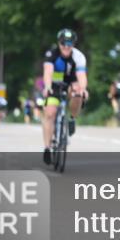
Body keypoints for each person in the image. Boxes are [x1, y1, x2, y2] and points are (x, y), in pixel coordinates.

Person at [41, 29, 88, 165]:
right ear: (58, 43)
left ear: (73, 44)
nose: (66, 46)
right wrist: (47, 86)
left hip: (71, 82)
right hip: (55, 84)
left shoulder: (78, 57)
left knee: (78, 92)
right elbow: (48, 72)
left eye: (69, 43)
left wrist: (83, 89)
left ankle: (72, 118)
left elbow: (81, 76)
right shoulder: (52, 54)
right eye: (63, 43)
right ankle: (47, 148)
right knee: (50, 113)